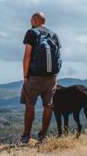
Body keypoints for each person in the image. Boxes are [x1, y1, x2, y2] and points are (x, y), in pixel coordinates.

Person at [19, 11, 61, 144]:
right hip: (51, 77)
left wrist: (25, 76)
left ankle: (26, 137)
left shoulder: (32, 32)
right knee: (48, 105)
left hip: (35, 77)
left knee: (30, 105)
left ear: (34, 21)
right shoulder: (54, 35)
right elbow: (58, 56)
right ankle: (43, 136)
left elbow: (27, 55)